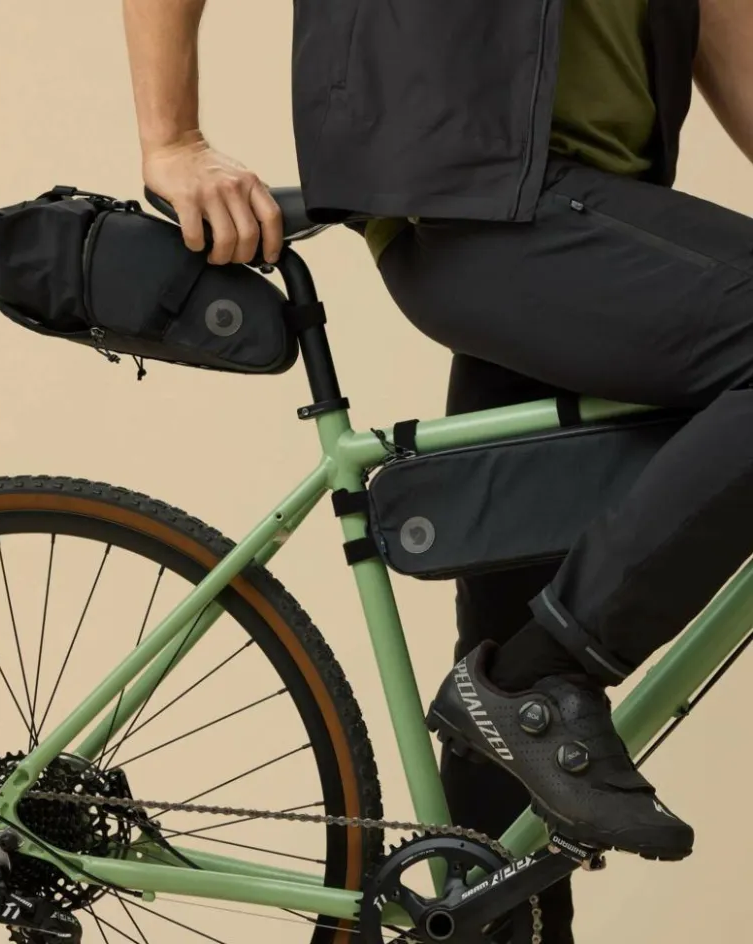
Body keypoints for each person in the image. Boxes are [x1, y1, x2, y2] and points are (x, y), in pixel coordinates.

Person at [121, 0, 753, 939]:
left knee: (502, 715)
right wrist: (172, 139)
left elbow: (731, 36)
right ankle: (536, 680)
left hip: (600, 213)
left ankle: (501, 804)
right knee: (517, 677)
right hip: (470, 199)